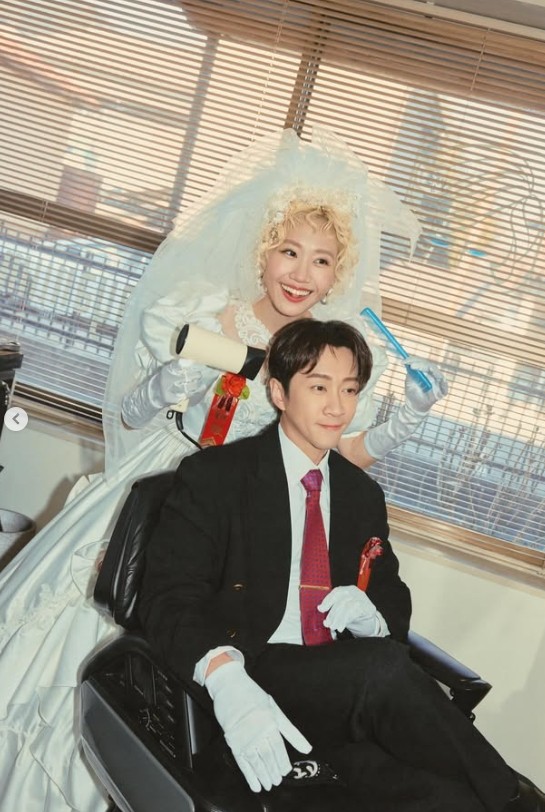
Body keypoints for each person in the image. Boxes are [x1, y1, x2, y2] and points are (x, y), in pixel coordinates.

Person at [0, 128, 447, 812]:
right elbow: (132, 415)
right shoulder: (203, 315)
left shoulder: (328, 357)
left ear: (339, 273)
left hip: (248, 518)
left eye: (321, 260)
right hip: (163, 485)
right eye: (289, 251)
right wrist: (166, 384)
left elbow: (339, 456)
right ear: (263, 251)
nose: (301, 273)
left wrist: (404, 424)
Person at [138, 318, 545, 812]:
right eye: (318, 387)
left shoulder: (361, 494)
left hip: (338, 703)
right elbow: (169, 598)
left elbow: (391, 598)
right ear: (279, 392)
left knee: (453, 798)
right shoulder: (217, 476)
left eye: (350, 389)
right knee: (383, 668)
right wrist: (225, 677)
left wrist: (372, 618)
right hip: (254, 676)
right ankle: (524, 803)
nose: (338, 407)